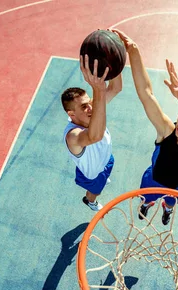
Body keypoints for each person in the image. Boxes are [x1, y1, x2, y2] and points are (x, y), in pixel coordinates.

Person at [112, 29, 178, 225]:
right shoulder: (167, 131)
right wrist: (133, 51)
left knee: (170, 202)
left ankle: (167, 207)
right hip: (152, 181)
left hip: (177, 188)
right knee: (147, 197)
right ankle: (148, 204)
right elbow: (146, 94)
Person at [61, 53, 122, 211]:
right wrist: (98, 90)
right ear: (71, 114)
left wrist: (115, 56)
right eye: (83, 106)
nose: (90, 108)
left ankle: (104, 177)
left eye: (89, 103)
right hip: (93, 175)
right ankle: (90, 200)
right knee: (96, 190)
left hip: (106, 158)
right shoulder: (72, 136)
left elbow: (116, 88)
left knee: (108, 167)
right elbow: (95, 136)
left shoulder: (93, 108)